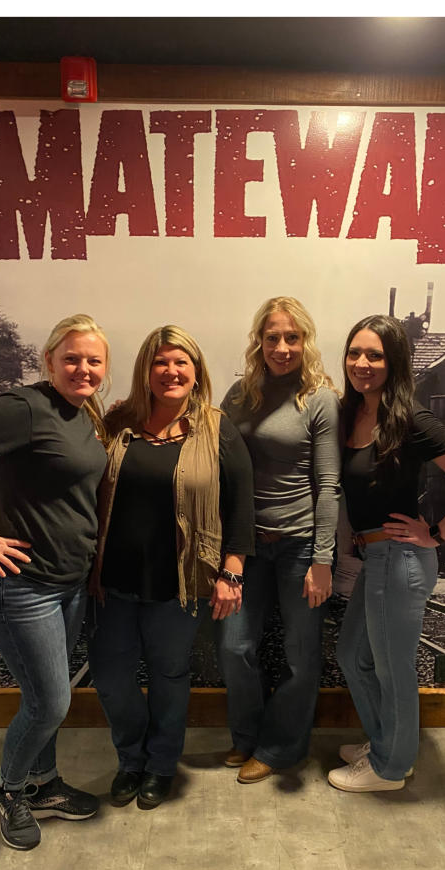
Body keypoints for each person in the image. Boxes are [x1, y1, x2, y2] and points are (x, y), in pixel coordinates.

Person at [0, 314, 110, 850]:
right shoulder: (22, 407)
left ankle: (43, 784)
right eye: (72, 358)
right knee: (49, 702)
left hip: (68, 584)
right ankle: (9, 787)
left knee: (46, 695)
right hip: (21, 588)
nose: (83, 369)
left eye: (94, 360)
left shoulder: (84, 413)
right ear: (49, 360)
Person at [328, 314, 445, 792]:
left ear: (394, 362)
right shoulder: (354, 414)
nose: (362, 363)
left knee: (392, 669)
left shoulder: (410, 419)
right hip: (375, 559)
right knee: (352, 655)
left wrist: (436, 534)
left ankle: (390, 768)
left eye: (375, 355)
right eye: (355, 353)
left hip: (399, 559)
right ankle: (385, 742)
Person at [88, 325, 255, 809]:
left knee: (169, 675)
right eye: (160, 361)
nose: (171, 371)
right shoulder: (118, 422)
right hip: (114, 580)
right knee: (111, 676)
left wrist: (232, 572)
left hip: (178, 582)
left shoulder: (218, 428)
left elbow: (241, 505)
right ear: (146, 370)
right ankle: (130, 760)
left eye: (181, 361)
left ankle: (161, 765)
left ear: (196, 371)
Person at [217, 296, 341, 783]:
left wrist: (322, 559)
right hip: (246, 545)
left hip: (299, 545)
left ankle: (280, 748)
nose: (283, 347)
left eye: (293, 337)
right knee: (234, 647)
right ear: (259, 341)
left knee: (300, 654)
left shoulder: (319, 399)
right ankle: (247, 737)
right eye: (273, 338)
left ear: (305, 341)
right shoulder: (239, 395)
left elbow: (328, 485)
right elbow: (219, 462)